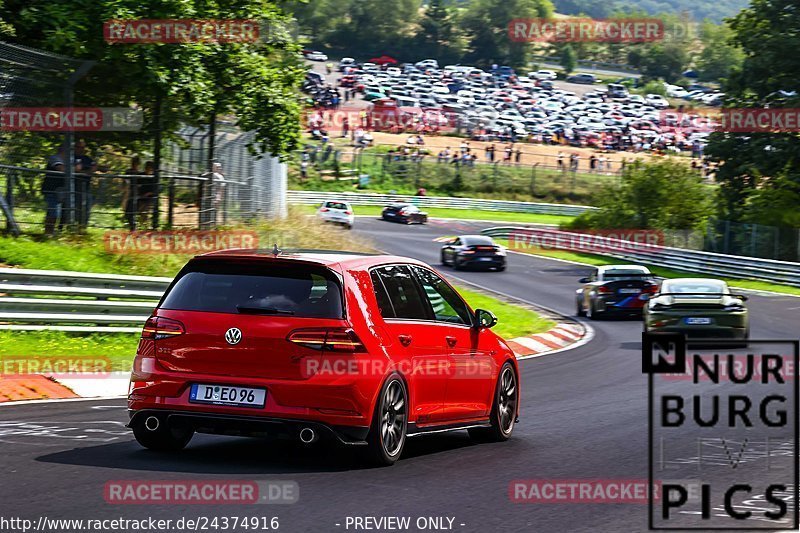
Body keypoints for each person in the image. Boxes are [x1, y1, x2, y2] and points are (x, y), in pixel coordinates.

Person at [42, 144, 68, 235]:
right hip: (51, 189)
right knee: (53, 213)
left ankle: (54, 233)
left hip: (61, 191)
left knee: (61, 214)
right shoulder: (55, 158)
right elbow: (60, 169)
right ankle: (48, 233)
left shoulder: (68, 160)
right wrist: (75, 169)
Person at [73, 138, 96, 228]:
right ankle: (71, 226)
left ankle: (82, 228)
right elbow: (75, 169)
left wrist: (84, 171)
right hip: (73, 188)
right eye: (78, 147)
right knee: (74, 208)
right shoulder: (70, 157)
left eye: (82, 147)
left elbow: (94, 167)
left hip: (85, 188)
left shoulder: (87, 158)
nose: (80, 149)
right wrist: (85, 171)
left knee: (86, 208)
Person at [137, 161, 159, 229]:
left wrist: (149, 194)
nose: (149, 170)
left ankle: (145, 227)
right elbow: (136, 185)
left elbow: (156, 189)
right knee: (141, 213)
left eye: (150, 169)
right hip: (140, 198)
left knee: (145, 213)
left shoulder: (153, 178)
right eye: (148, 168)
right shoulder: (141, 175)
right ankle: (143, 227)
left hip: (149, 199)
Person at [124, 156, 143, 230]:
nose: (134, 165)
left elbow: (141, 185)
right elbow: (125, 181)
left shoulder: (140, 173)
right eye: (134, 163)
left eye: (136, 163)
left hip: (136, 194)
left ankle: (133, 228)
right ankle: (133, 228)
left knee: (132, 212)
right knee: (128, 212)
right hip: (129, 194)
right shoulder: (128, 171)